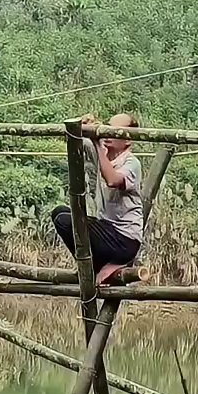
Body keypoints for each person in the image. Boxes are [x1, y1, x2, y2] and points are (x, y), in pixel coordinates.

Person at [52, 113, 144, 285]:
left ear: (128, 140)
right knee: (59, 213)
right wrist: (82, 125)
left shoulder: (132, 163)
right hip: (107, 231)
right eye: (108, 128)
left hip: (124, 240)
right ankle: (94, 265)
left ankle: (103, 264)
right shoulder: (102, 151)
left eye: (115, 131)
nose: (108, 133)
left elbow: (113, 179)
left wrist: (96, 144)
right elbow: (72, 139)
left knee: (66, 221)